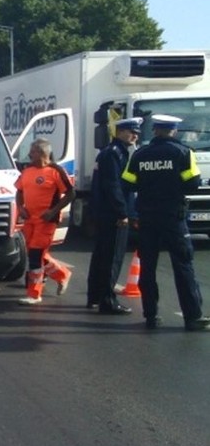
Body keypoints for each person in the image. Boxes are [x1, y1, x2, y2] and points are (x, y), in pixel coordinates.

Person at [121, 115, 210, 330]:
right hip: (173, 217)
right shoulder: (182, 152)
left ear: (155, 131)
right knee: (183, 264)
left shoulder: (140, 154)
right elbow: (193, 184)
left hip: (147, 217)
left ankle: (151, 316)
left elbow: (128, 183)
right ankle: (192, 316)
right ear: (173, 131)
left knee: (148, 266)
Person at [86, 117, 140, 314]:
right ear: (119, 132)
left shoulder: (109, 152)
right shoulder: (115, 154)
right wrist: (122, 212)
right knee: (112, 258)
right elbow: (113, 185)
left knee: (101, 255)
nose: (134, 135)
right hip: (113, 214)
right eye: (130, 131)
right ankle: (107, 300)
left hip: (103, 212)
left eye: (136, 133)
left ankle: (95, 296)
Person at [15, 138, 76, 305]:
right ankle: (61, 274)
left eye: (32, 152)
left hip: (46, 220)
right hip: (30, 219)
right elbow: (19, 191)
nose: (29, 155)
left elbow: (71, 193)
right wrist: (21, 207)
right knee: (35, 253)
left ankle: (34, 294)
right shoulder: (27, 170)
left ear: (42, 153)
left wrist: (53, 211)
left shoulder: (56, 171)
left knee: (35, 255)